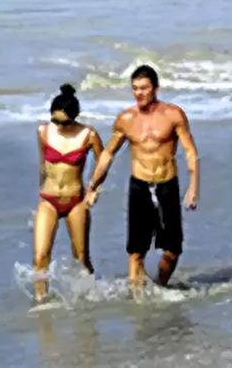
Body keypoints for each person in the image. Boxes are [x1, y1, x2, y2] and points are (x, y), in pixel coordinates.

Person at [85, 65, 199, 289]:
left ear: (155, 88)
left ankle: (160, 286)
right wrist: (93, 186)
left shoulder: (173, 115)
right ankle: (137, 299)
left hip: (167, 184)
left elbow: (190, 152)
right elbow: (108, 154)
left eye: (144, 88)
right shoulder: (126, 119)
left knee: (173, 250)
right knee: (136, 251)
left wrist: (193, 187)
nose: (139, 93)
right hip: (139, 185)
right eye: (135, 88)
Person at [33, 83, 103, 303]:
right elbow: (43, 165)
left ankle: (90, 299)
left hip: (76, 201)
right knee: (40, 256)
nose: (59, 126)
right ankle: (41, 302)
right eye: (55, 121)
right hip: (48, 200)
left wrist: (94, 189)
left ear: (74, 118)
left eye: (64, 122)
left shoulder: (89, 135)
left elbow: (103, 162)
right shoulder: (43, 131)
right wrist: (40, 194)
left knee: (81, 258)